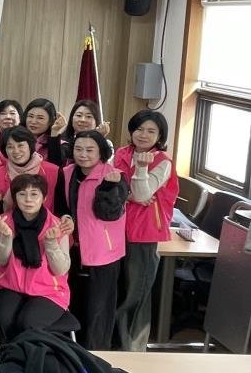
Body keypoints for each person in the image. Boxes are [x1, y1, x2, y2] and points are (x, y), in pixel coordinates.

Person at [56, 130, 129, 350]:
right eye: (78, 149)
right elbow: (61, 206)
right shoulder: (67, 172)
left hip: (103, 252)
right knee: (74, 302)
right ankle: (72, 352)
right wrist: (65, 217)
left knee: (99, 309)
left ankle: (97, 353)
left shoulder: (114, 175)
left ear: (101, 152)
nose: (83, 154)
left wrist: (107, 188)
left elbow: (109, 213)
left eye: (90, 150)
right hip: (73, 248)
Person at [113, 110, 178, 351]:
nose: (143, 135)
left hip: (144, 235)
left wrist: (141, 169)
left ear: (160, 136)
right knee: (119, 291)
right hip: (117, 230)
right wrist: (128, 196)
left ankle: (132, 349)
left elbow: (143, 194)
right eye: (139, 129)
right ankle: (114, 346)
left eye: (151, 131)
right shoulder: (122, 153)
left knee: (135, 294)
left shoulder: (162, 162)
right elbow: (110, 186)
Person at [0, 174, 73, 345]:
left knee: (28, 324)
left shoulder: (57, 225)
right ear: (15, 198)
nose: (28, 199)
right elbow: (0, 260)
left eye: (34, 194)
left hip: (49, 291)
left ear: (44, 198)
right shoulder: (6, 221)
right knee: (1, 321)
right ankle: (5, 357)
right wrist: (5, 238)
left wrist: (51, 243)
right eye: (22, 194)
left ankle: (29, 358)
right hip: (11, 286)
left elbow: (61, 269)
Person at [0, 127, 63, 224]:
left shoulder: (53, 171)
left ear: (30, 146)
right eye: (10, 147)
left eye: (21, 145)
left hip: (46, 228)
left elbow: (61, 207)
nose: (16, 151)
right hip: (10, 228)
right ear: (4, 150)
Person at [61, 100, 112, 165]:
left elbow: (103, 162)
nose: (83, 120)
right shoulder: (61, 141)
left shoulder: (107, 143)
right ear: (72, 118)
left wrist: (98, 139)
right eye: (79, 115)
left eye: (88, 116)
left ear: (96, 121)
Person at [22, 98, 66, 165]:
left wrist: (54, 132)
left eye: (40, 118)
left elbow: (55, 166)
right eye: (30, 116)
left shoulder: (61, 145)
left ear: (51, 120)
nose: (33, 121)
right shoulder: (16, 137)